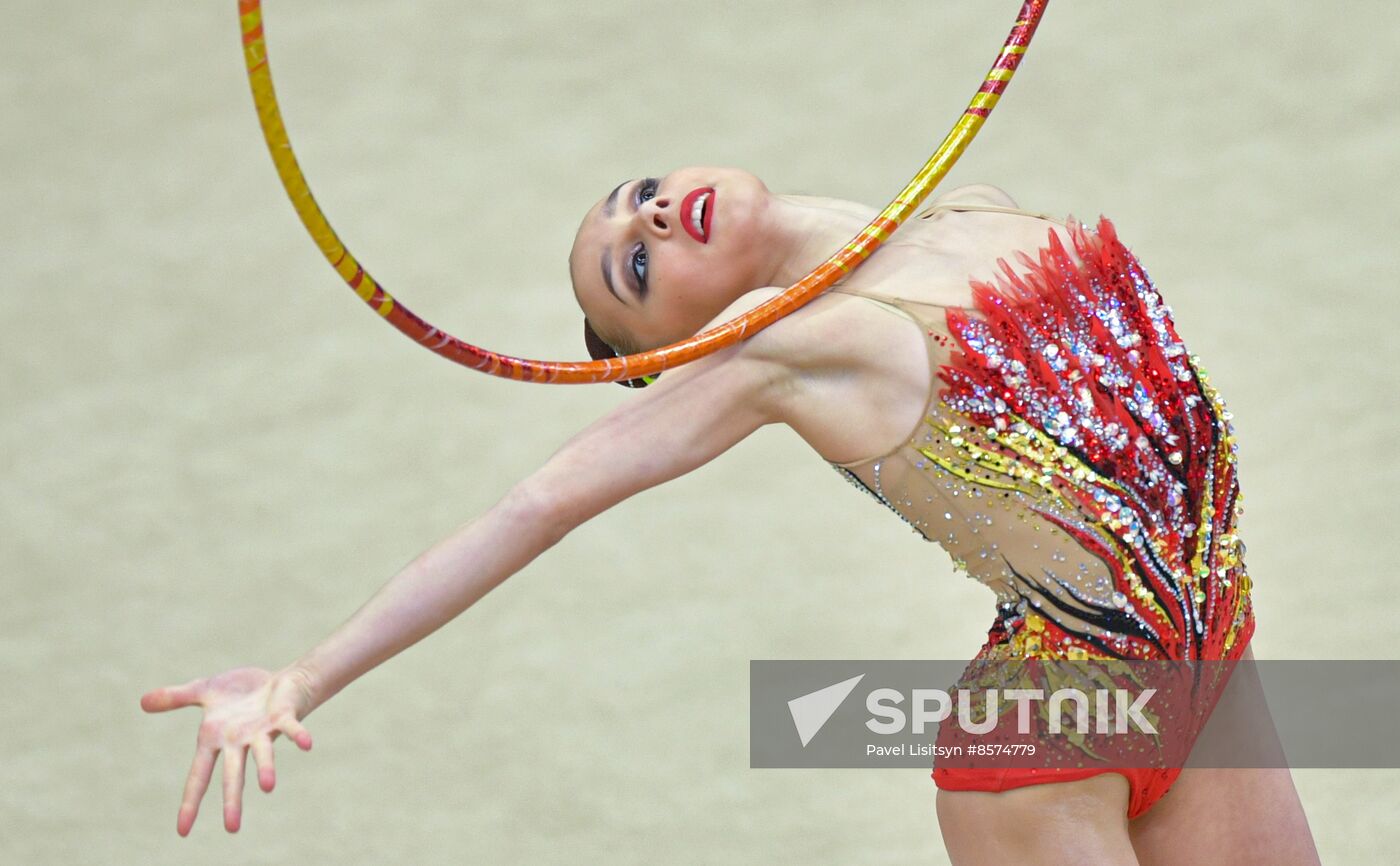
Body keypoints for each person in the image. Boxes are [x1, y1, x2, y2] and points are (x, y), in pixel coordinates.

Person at [142, 167, 1320, 864]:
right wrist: (300, 676)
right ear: (678, 349)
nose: (649, 221)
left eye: (636, 199)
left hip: (1202, 663)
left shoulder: (972, 203)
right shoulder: (782, 351)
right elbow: (537, 503)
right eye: (632, 275)